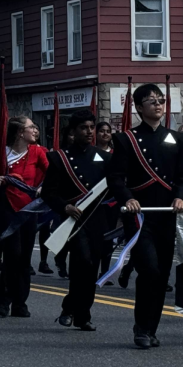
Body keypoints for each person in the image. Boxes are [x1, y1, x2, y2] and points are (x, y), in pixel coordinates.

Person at [106, 83, 183, 350]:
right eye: (151, 100)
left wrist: (180, 196)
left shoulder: (175, 139)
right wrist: (128, 198)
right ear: (139, 107)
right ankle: (141, 328)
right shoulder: (125, 140)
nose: (158, 104)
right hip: (139, 216)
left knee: (163, 273)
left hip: (166, 214)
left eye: (160, 100)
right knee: (149, 270)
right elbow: (116, 178)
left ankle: (151, 328)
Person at [46, 109, 113, 331]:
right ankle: (78, 312)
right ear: (73, 131)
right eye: (84, 128)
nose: (89, 132)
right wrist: (64, 206)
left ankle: (76, 309)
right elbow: (49, 192)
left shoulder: (104, 157)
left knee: (91, 266)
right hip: (73, 220)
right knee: (81, 263)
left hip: (96, 219)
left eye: (92, 128)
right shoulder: (59, 158)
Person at [0, 115, 49, 318]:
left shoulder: (38, 152)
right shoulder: (0, 154)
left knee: (24, 258)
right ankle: (5, 299)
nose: (35, 131)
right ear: (21, 132)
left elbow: (52, 174)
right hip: (7, 208)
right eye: (31, 127)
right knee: (12, 255)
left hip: (29, 210)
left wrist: (42, 189)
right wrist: (0, 181)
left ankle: (20, 303)